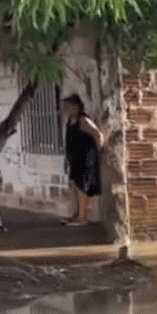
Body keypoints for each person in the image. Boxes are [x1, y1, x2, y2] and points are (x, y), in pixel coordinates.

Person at [61, 94, 105, 226]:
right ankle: (74, 215)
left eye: (67, 106)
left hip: (85, 158)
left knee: (82, 187)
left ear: (75, 106)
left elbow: (97, 133)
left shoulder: (83, 120)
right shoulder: (70, 121)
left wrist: (99, 149)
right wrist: (66, 159)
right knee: (73, 186)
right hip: (74, 158)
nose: (65, 109)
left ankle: (82, 218)